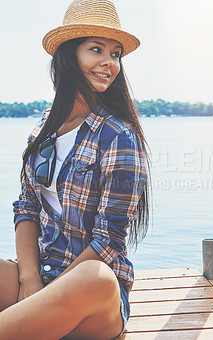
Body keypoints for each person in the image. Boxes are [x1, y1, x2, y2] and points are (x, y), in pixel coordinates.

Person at [0, 0, 150, 339]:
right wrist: (30, 280)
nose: (108, 63)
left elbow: (108, 240)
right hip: (41, 273)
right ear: (69, 56)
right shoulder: (43, 129)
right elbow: (27, 207)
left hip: (91, 296)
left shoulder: (118, 137)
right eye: (96, 49)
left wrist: (50, 294)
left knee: (94, 277)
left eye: (115, 54)